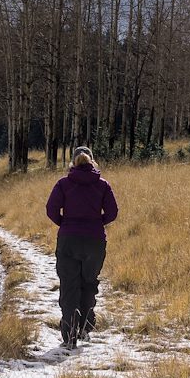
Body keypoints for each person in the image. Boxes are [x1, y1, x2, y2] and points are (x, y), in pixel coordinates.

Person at [45, 145, 118, 349]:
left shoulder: (64, 184)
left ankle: (69, 334)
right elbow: (112, 212)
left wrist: (65, 223)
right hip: (95, 241)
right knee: (89, 283)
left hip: (69, 239)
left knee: (69, 286)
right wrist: (97, 223)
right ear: (92, 161)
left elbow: (51, 209)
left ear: (73, 162)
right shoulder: (102, 185)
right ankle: (85, 327)